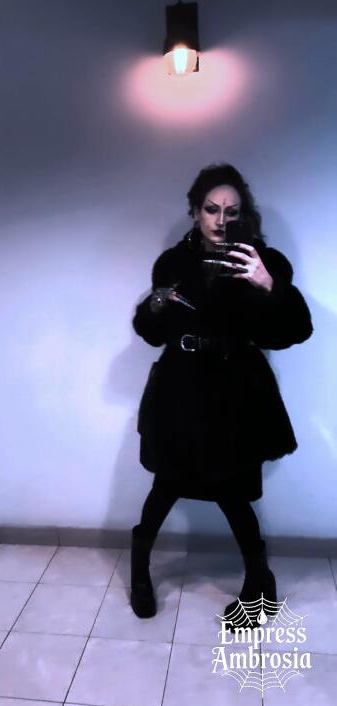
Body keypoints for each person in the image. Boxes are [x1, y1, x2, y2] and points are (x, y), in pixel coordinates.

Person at [130, 163, 313, 629]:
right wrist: (155, 304)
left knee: (232, 490)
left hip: (235, 391)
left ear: (243, 215)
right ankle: (140, 569)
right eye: (211, 209)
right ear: (195, 211)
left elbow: (294, 332)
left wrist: (269, 286)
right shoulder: (172, 263)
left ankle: (260, 584)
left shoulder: (262, 261)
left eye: (231, 211)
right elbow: (151, 332)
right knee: (166, 484)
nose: (220, 219)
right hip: (180, 386)